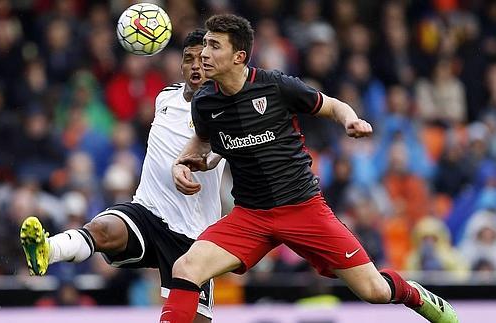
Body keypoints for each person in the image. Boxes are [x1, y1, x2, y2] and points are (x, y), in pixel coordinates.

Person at [160, 14, 458, 323]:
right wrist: (183, 162)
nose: (204, 54)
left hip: (303, 210)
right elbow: (203, 140)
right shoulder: (205, 101)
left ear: (239, 57)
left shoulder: (275, 86)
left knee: (374, 291)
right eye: (204, 45)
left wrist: (350, 120)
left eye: (214, 46)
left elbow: (332, 106)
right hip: (250, 216)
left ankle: (416, 295)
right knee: (186, 268)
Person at [20, 29, 224, 323]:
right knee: (102, 228)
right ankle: (46, 250)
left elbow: (224, 151)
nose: (194, 65)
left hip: (191, 234)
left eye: (202, 60)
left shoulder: (226, 110)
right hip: (148, 210)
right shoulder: (165, 97)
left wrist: (206, 161)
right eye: (188, 58)